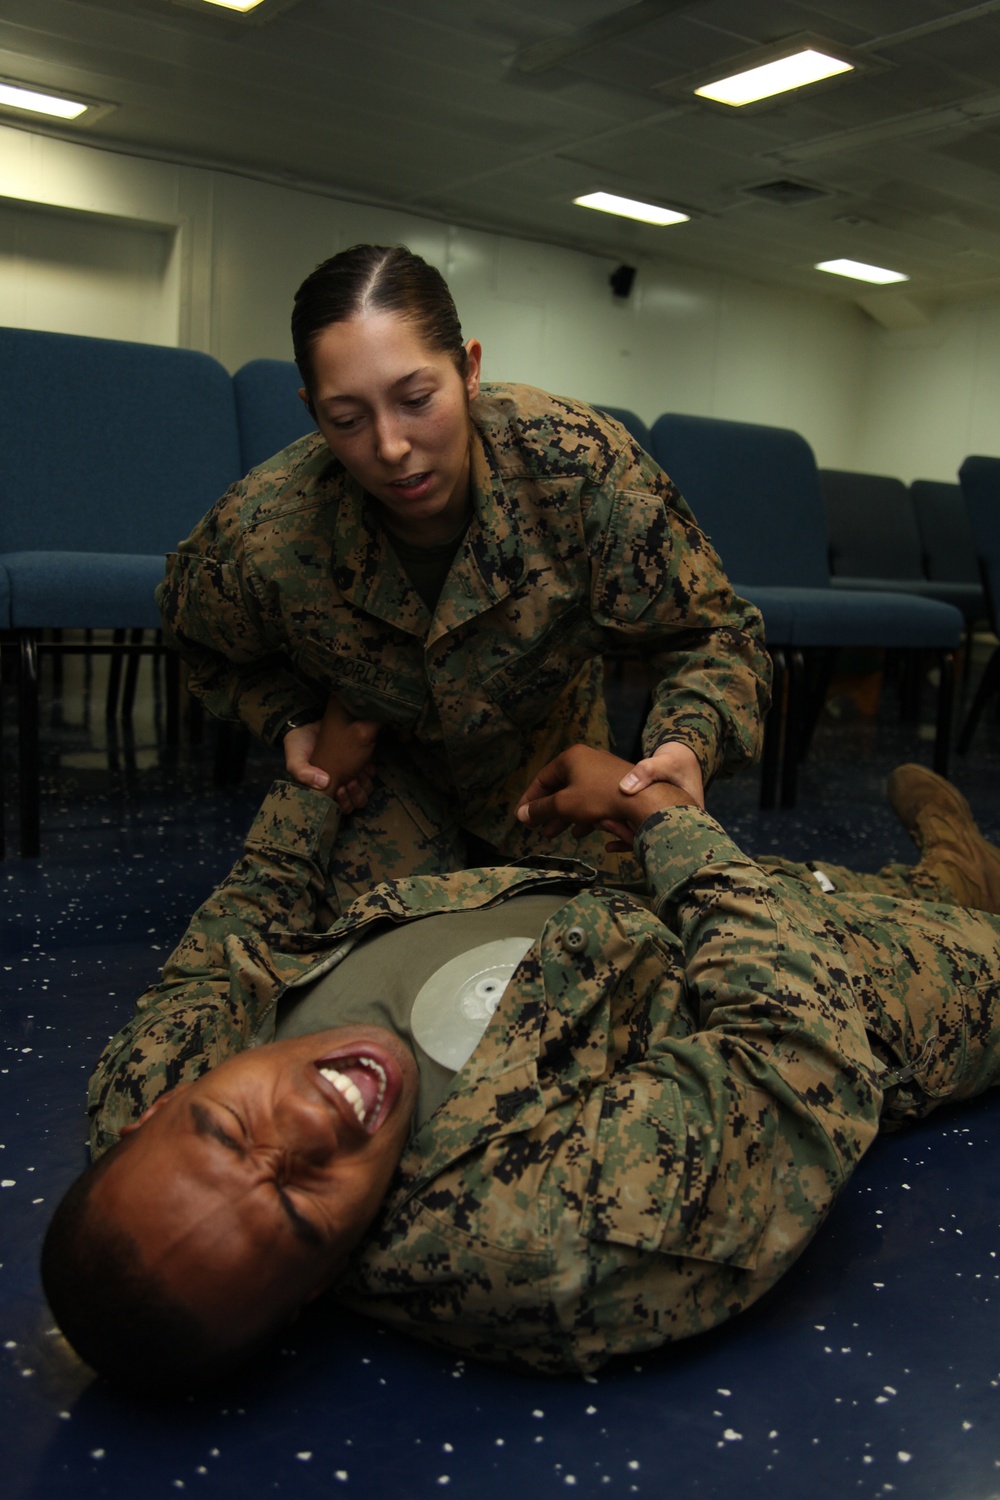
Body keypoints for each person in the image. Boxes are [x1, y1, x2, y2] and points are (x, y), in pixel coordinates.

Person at [41, 749, 1000, 1392]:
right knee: (932, 930)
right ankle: (959, 879)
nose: (315, 1122)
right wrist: (661, 816)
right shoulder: (530, 1236)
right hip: (856, 984)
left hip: (659, 899)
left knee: (856, 885)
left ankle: (950, 868)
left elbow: (230, 937)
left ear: (157, 1111)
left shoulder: (146, 1088)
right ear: (316, 1290)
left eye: (226, 1128)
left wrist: (312, 782)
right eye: (297, 1206)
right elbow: (798, 1056)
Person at [156, 243, 771, 898]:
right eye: (348, 419)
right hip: (389, 773)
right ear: (313, 412)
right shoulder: (268, 532)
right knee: (376, 953)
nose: (390, 446)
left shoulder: (581, 470)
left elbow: (712, 635)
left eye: (417, 399)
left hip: (550, 762)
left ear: (469, 370)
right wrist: (288, 719)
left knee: (616, 942)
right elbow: (195, 638)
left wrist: (685, 745)